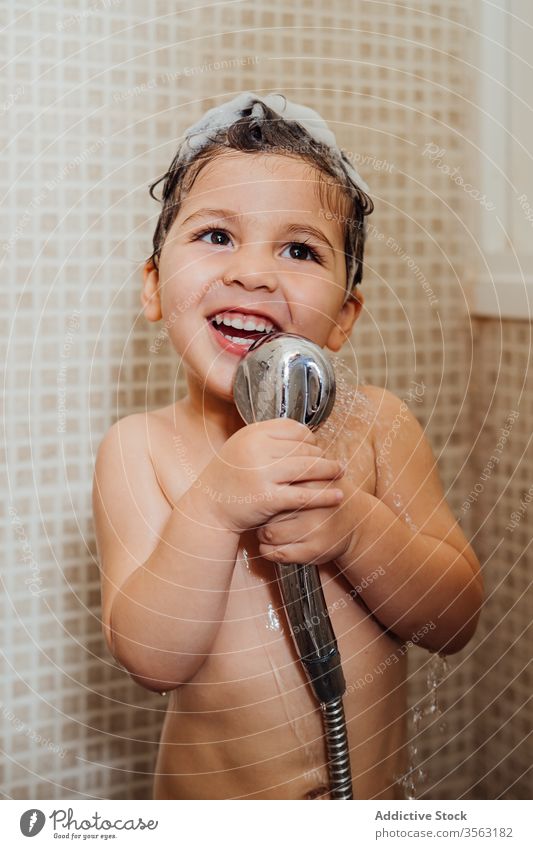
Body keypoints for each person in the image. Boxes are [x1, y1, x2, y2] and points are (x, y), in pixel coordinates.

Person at [92, 92, 484, 800]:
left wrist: (356, 528)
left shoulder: (376, 427)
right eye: (216, 235)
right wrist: (211, 510)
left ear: (343, 317)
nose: (252, 273)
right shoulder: (140, 449)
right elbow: (152, 657)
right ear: (153, 288)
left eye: (299, 249)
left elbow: (452, 619)